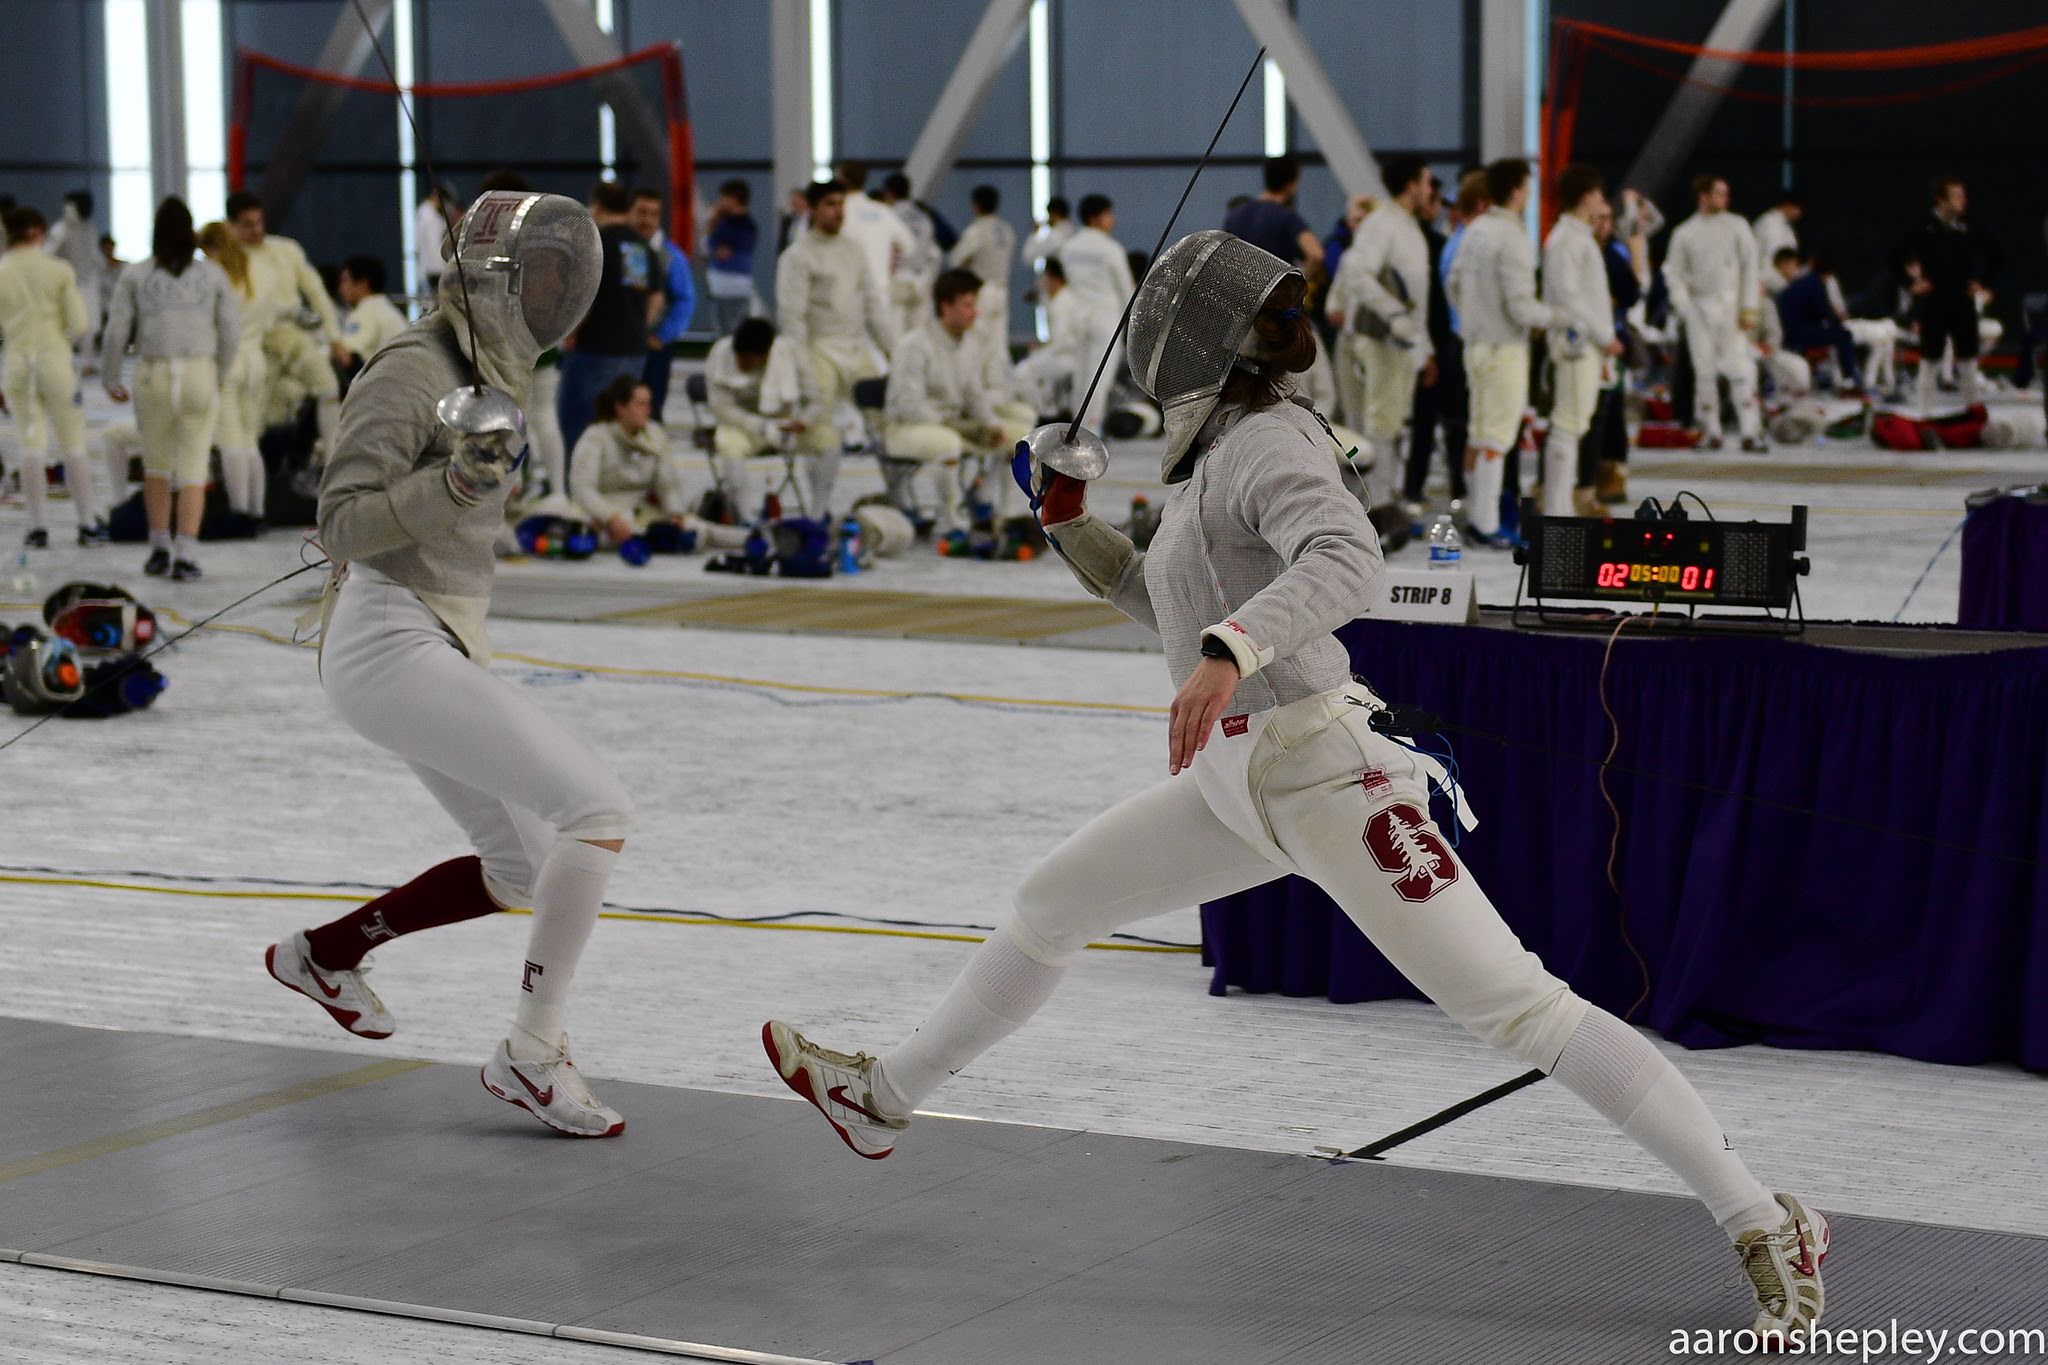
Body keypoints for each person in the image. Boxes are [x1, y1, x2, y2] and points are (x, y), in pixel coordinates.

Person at [763, 227, 1832, 1352]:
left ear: (1191, 343)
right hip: (1234, 781)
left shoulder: (1269, 441)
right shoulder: (1213, 454)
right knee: (1050, 902)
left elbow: (1346, 562)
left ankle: (1768, 1224)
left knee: (1521, 1009)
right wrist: (1071, 520)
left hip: (1326, 775)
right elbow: (1163, 603)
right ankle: (882, 1098)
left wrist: (1228, 647)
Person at [277, 188, 633, 1139]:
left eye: (568, 274)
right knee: (595, 812)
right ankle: (532, 1050)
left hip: (437, 636)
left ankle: (324, 954)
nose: (557, 291)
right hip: (387, 637)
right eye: (543, 273)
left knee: (521, 866)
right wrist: (456, 480)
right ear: (495, 276)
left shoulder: (494, 369)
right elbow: (339, 520)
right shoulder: (413, 365)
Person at [103, 196, 239, 581]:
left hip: (153, 375)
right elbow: (231, 330)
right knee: (194, 468)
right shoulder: (213, 275)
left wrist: (110, 378)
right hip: (199, 372)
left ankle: (159, 547)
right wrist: (221, 373)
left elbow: (116, 331)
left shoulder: (136, 274)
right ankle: (187, 554)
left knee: (156, 466)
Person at [1446, 159, 1553, 546]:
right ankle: (1486, 525)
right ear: (1515, 191)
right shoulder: (1511, 237)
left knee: (1478, 433)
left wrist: (1473, 320)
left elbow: (1453, 284)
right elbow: (1521, 306)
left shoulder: (1475, 230)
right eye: (1527, 187)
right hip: (1503, 347)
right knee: (1496, 437)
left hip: (1474, 345)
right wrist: (1559, 316)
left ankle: (1479, 517)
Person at [775, 179, 895, 517]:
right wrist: (803, 371)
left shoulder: (853, 250)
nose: (837, 211)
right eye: (829, 204)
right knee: (819, 428)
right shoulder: (797, 256)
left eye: (841, 204)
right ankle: (818, 509)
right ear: (812, 209)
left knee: (886, 420)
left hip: (856, 349)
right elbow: (792, 319)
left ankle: (899, 499)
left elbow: (873, 305)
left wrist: (893, 354)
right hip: (819, 350)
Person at [1326, 154, 1433, 530]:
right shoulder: (1384, 224)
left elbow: (1414, 297)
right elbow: (1356, 274)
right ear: (1411, 185)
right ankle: (1377, 507)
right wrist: (1394, 316)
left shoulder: (1405, 227)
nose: (1430, 190)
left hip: (1398, 343)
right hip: (1380, 341)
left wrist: (1423, 344)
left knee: (1383, 425)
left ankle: (1376, 502)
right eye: (1426, 182)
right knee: (1377, 426)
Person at [882, 268, 1035, 530]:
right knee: (949, 442)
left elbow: (974, 395)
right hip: (906, 427)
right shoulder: (914, 345)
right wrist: (954, 425)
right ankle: (948, 521)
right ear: (945, 306)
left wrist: (990, 424)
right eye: (967, 305)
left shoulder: (968, 344)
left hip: (950, 424)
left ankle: (1004, 515)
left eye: (974, 304)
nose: (974, 312)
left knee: (1019, 438)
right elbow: (908, 405)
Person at [0, 206, 103, 548]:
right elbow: (79, 325)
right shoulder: (59, 270)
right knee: (73, 442)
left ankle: (38, 528)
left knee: (31, 445)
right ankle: (87, 524)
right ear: (35, 232)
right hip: (55, 362)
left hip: (17, 366)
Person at [226, 190, 342, 457]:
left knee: (328, 387)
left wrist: (335, 337)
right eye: (247, 224)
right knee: (254, 420)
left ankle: (333, 464)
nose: (256, 230)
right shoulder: (228, 261)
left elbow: (316, 293)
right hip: (255, 345)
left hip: (292, 336)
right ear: (231, 225)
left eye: (259, 222)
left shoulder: (286, 250)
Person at [568, 375, 740, 551]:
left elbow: (668, 485)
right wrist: (610, 517)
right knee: (602, 536)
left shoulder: (654, 433)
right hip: (600, 516)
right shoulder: (595, 437)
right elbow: (582, 489)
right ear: (620, 408)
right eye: (640, 404)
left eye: (648, 403)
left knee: (698, 529)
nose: (647, 410)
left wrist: (675, 513)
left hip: (642, 514)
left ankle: (751, 539)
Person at [556, 180, 660, 459]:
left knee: (580, 426)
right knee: (620, 426)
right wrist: (639, 325)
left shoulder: (594, 244)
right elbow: (653, 298)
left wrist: (570, 332)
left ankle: (576, 486)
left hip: (596, 350)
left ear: (598, 206)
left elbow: (585, 299)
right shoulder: (639, 247)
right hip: (633, 349)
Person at [1540, 164, 1620, 519]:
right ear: (1588, 196)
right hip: (1576, 344)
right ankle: (1556, 510)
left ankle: (1560, 506)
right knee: (1567, 425)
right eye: (1600, 195)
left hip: (1589, 344)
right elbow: (1569, 299)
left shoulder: (1579, 237)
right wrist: (1604, 336)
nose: (1602, 203)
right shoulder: (1564, 239)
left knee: (1576, 424)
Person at [1667, 173, 1767, 452]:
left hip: (1732, 307)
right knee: (1705, 372)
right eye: (1719, 193)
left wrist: (1749, 307)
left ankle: (1751, 430)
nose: (1725, 199)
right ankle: (1711, 431)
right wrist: (1685, 307)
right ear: (1703, 196)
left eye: (1726, 193)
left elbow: (1750, 267)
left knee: (1740, 369)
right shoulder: (1684, 233)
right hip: (1700, 309)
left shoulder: (1737, 226)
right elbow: (1674, 274)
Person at [704, 316, 833, 521]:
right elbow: (722, 408)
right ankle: (745, 519)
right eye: (739, 357)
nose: (741, 363)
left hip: (787, 426)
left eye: (747, 359)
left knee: (828, 438)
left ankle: (818, 514)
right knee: (728, 443)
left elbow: (816, 399)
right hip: (745, 427)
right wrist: (761, 426)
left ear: (765, 356)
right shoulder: (720, 354)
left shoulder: (790, 354)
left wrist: (804, 421)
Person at [1893, 175, 2000, 414]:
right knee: (1929, 361)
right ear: (1941, 200)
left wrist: (1985, 283)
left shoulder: (1969, 224)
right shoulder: (1924, 226)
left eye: (1964, 195)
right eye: (1957, 196)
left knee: (1968, 362)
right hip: (1934, 302)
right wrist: (1911, 282)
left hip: (1962, 301)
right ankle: (1924, 415)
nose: (1963, 201)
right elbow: (1894, 256)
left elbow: (1996, 252)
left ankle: (1974, 413)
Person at [197, 220, 276, 520]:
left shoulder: (213, 275)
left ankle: (239, 512)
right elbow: (269, 320)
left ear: (211, 247)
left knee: (230, 440)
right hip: (256, 360)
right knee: (250, 441)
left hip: (227, 362)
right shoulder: (263, 271)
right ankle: (258, 511)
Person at [1404, 174, 1468, 524]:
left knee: (1444, 422)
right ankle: (1418, 489)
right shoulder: (1428, 244)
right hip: (1433, 344)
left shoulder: (1440, 243)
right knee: (1430, 422)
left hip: (1441, 343)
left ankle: (1437, 487)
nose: (1442, 210)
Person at [1054, 194, 1134, 436]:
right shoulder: (1111, 249)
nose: (1112, 219)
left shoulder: (1068, 248)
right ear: (1095, 217)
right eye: (1108, 214)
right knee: (1100, 377)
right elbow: (1127, 290)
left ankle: (1075, 431)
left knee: (1081, 377)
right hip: (1105, 318)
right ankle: (1091, 431)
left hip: (1078, 317)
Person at [1580, 202, 1641, 509]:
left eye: (1608, 218)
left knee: (1612, 411)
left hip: (1612, 343)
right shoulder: (1576, 250)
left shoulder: (1615, 254)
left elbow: (1632, 292)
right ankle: (1583, 480)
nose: (1604, 224)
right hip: (1582, 343)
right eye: (1598, 218)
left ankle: (1612, 474)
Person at [630, 187, 694, 423]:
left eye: (653, 214)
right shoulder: (620, 247)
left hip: (654, 347)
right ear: (630, 212)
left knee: (651, 411)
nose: (647, 219)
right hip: (621, 345)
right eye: (642, 212)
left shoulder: (672, 257)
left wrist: (663, 336)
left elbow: (685, 300)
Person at [1223, 156, 1325, 278]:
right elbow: (1316, 254)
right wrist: (1298, 283)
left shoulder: (1235, 215)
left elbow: (1224, 256)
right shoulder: (1287, 217)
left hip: (1242, 289)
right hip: (1275, 291)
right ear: (1290, 184)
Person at [835, 159, 914, 309]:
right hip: (880, 290)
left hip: (847, 293)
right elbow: (909, 246)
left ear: (841, 180)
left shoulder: (839, 213)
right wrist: (891, 264)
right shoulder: (883, 211)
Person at [1012, 257, 1085, 418]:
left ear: (1053, 279)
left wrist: (1038, 352)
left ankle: (1042, 416)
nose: (1043, 283)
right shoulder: (1064, 299)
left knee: (1022, 373)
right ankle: (1047, 411)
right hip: (1066, 354)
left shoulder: (1062, 303)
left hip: (1067, 357)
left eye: (1044, 278)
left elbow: (1060, 342)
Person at [949, 184, 1017, 351]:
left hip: (981, 292)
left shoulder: (976, 230)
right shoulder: (1007, 230)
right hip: (1001, 291)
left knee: (977, 343)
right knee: (998, 346)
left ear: (976, 205)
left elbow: (955, 261)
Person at [878, 172, 942, 342]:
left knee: (895, 338)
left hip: (896, 280)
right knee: (920, 337)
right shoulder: (924, 218)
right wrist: (928, 279)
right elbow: (935, 254)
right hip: (920, 280)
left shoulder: (887, 216)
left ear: (889, 193)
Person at [46, 190, 105, 370]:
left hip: (89, 282)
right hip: (68, 284)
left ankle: (88, 362)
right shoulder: (60, 229)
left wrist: (103, 266)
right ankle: (63, 360)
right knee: (70, 325)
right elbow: (48, 254)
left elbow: (94, 254)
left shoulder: (89, 227)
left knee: (90, 325)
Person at [703, 178, 761, 335]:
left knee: (731, 336)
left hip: (733, 288)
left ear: (733, 198)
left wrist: (715, 246)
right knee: (722, 333)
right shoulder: (723, 221)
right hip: (720, 286)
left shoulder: (745, 226)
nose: (720, 201)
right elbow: (708, 246)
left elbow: (721, 253)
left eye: (723, 197)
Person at [335, 255, 408, 373]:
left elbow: (346, 356)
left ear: (363, 284)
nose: (340, 289)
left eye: (345, 281)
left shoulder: (366, 312)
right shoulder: (386, 309)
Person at [1751, 190, 1803, 276]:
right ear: (1788, 205)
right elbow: (1768, 263)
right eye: (1798, 208)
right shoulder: (1769, 224)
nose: (1800, 214)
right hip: (1770, 283)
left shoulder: (1786, 226)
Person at [416, 184, 454, 300]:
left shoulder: (424, 213)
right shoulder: (431, 218)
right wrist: (442, 270)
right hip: (434, 272)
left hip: (428, 270)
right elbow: (434, 247)